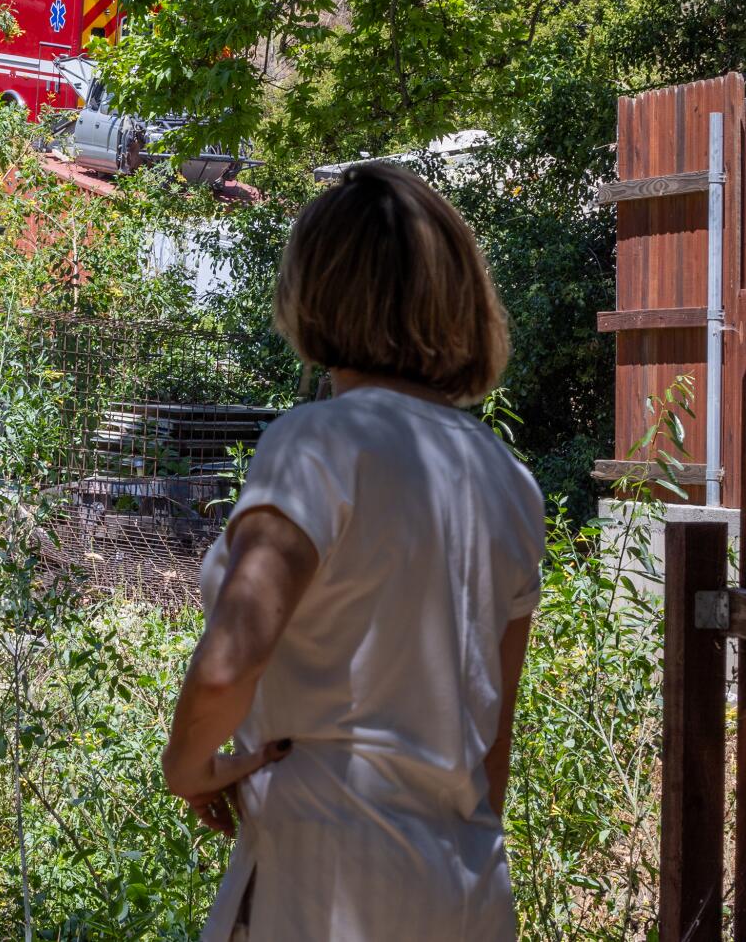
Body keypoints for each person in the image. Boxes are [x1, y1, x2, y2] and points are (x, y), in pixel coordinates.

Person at [163, 162, 546, 941]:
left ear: (317, 290)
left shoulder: (317, 442)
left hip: (322, 883)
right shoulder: (509, 481)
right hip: (465, 888)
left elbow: (231, 659)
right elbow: (490, 748)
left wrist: (188, 769)